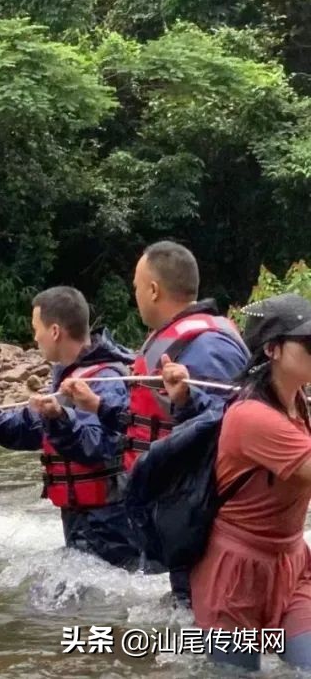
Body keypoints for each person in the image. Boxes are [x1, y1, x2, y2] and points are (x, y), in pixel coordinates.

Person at [64, 241, 249, 602]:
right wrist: (99, 406)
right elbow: (151, 423)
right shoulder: (174, 341)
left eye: (136, 286)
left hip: (201, 516)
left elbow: (233, 427)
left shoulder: (209, 344)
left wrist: (187, 398)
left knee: (203, 619)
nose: (135, 295)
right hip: (173, 509)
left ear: (153, 289)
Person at [0, 287, 138, 567]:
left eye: (36, 328)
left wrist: (59, 418)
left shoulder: (106, 379)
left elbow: (99, 445)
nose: (34, 338)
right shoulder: (68, 376)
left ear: (55, 331)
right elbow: (30, 427)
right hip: (84, 520)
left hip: (110, 524)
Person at [188, 294, 311, 671]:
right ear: (273, 349)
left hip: (291, 563)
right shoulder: (252, 418)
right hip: (236, 575)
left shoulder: (298, 403)